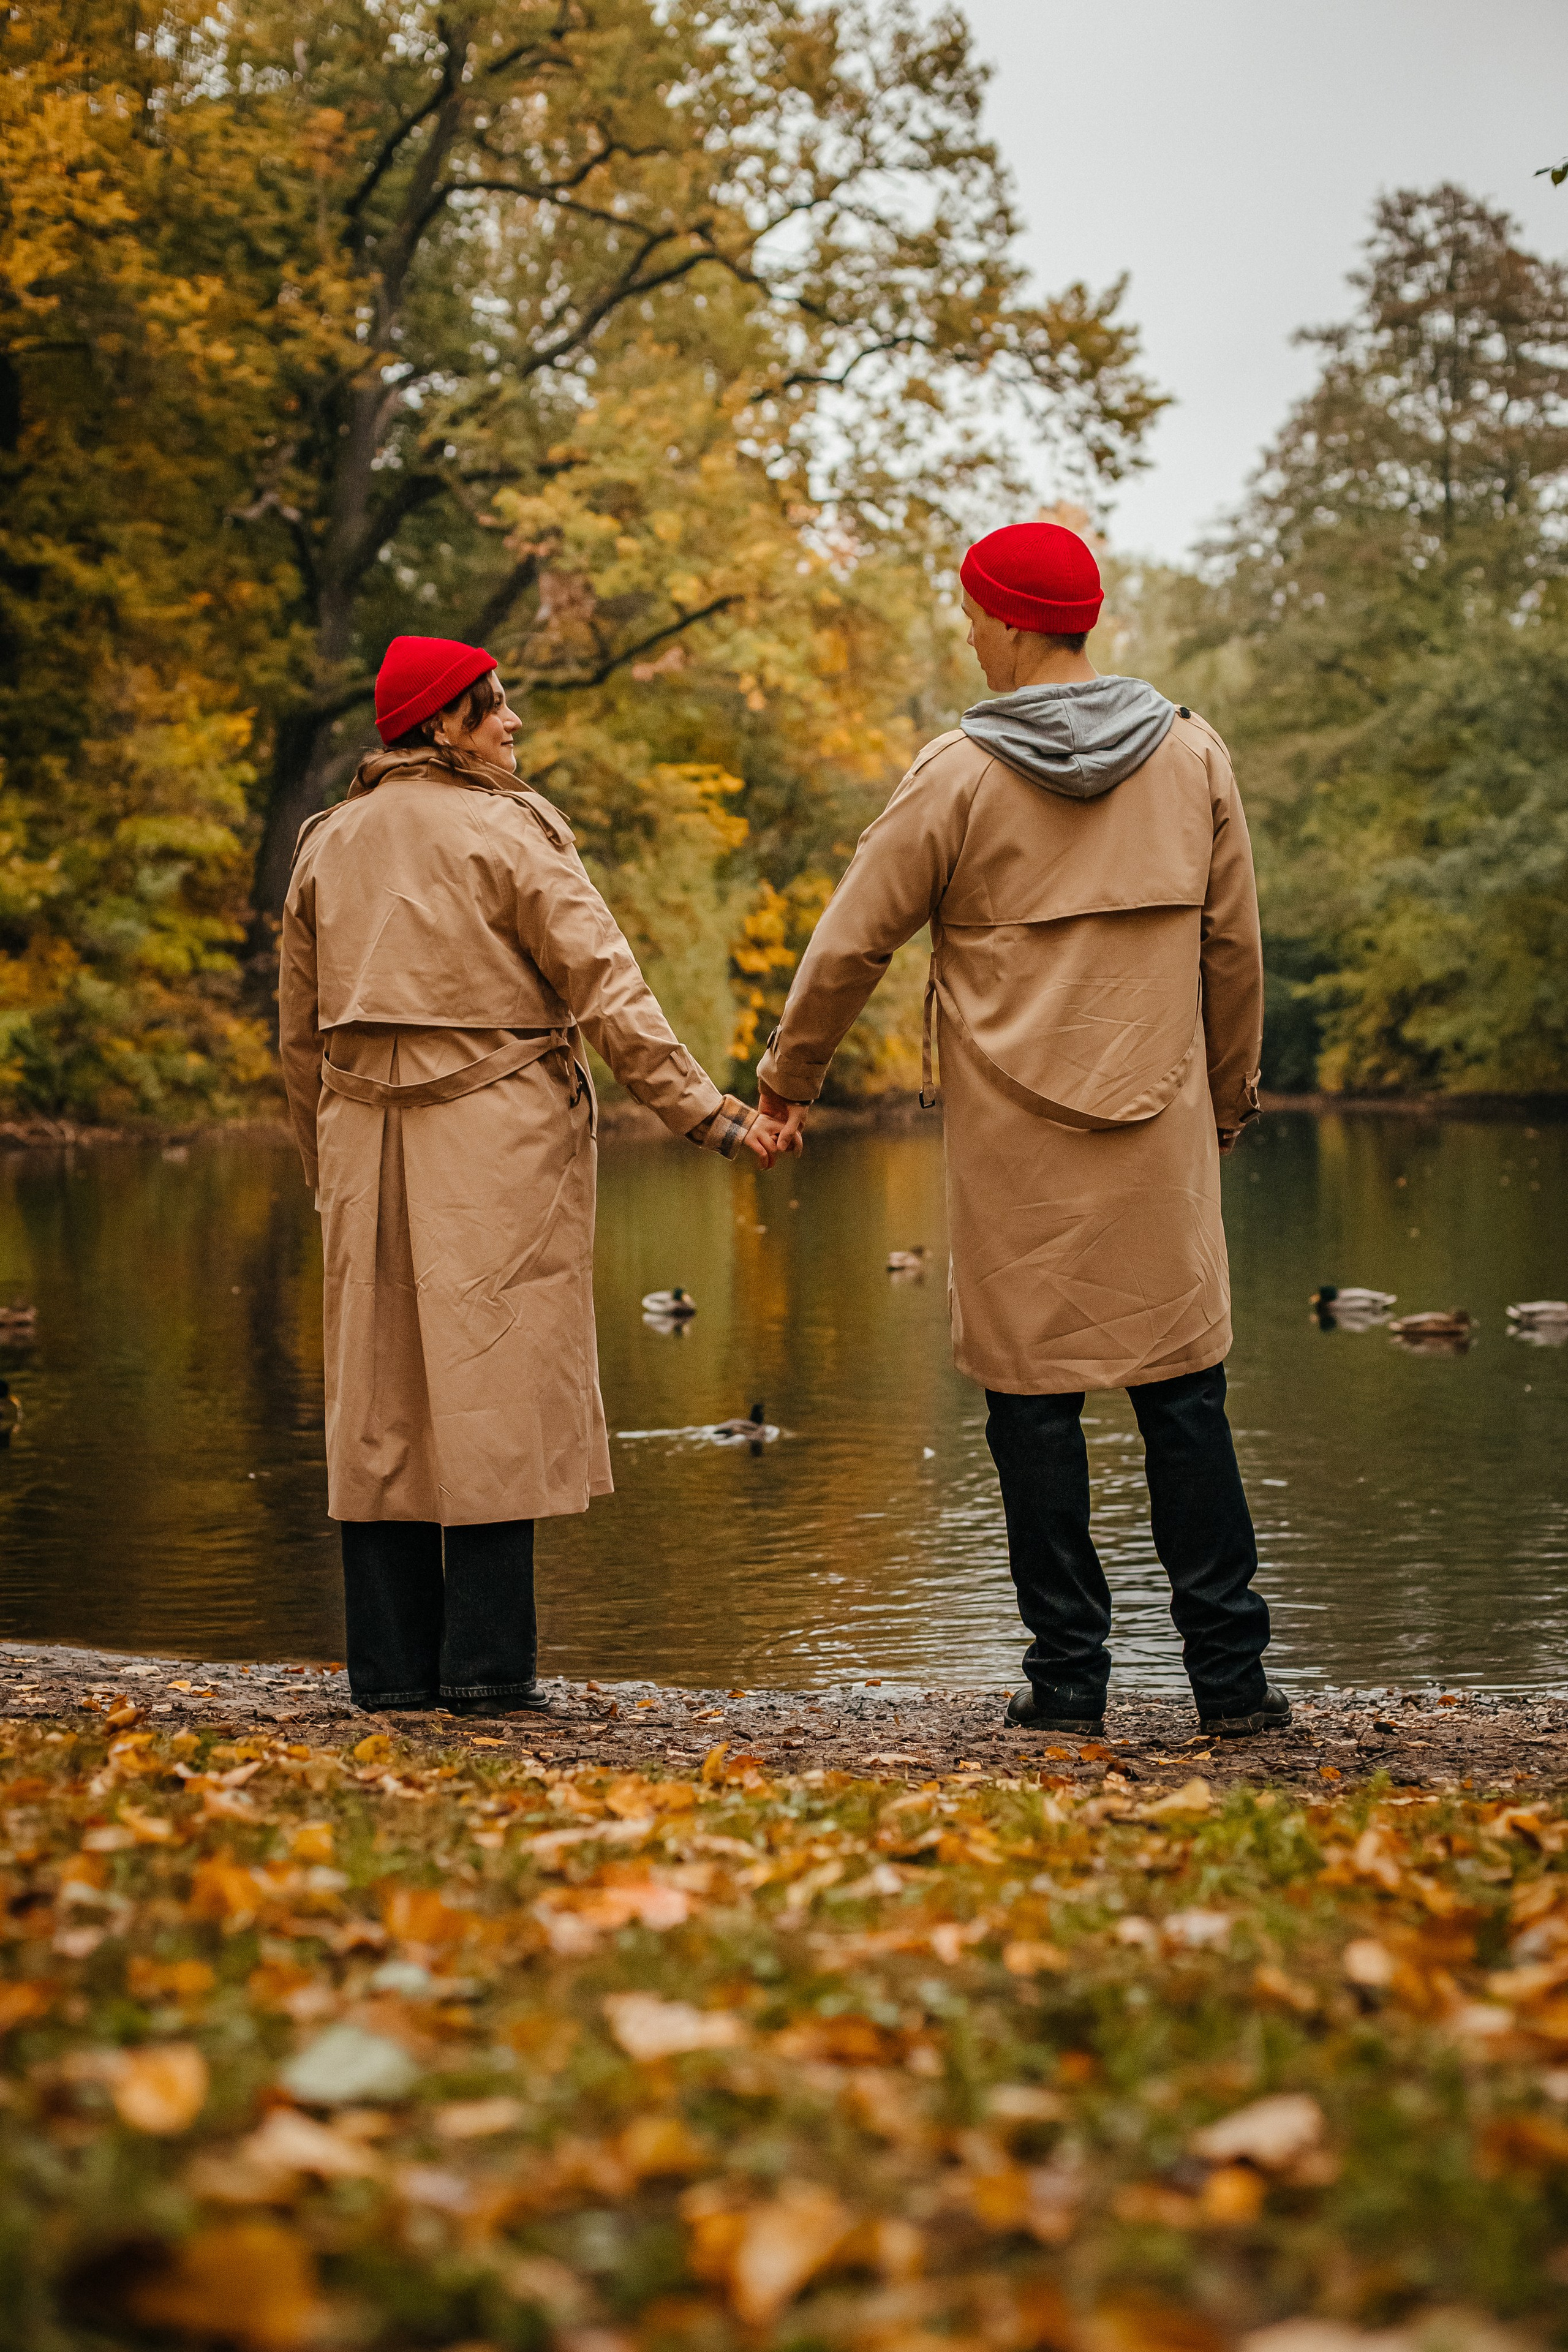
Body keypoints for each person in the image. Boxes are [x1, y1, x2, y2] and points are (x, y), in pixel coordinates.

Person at [757, 522, 1288, 1740]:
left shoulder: (955, 774)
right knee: (1184, 1401)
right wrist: (1227, 1098)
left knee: (1033, 1411)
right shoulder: (1193, 756)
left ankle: (1067, 1681)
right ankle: (1230, 1684)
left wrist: (790, 1081)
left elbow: (848, 944)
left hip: (1015, 1150)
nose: (967, 636)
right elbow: (1233, 952)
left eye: (969, 617)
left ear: (1006, 622)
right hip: (1159, 1126)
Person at [279, 635, 781, 1717]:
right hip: (496, 1145)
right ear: (439, 725)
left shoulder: (325, 842)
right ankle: (487, 1673)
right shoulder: (510, 830)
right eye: (492, 705)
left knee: (380, 1397)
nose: (512, 722)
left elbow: (298, 1038)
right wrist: (710, 1115)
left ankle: (390, 1675)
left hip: (362, 1146)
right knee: (490, 1387)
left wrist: (326, 1171)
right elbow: (610, 992)